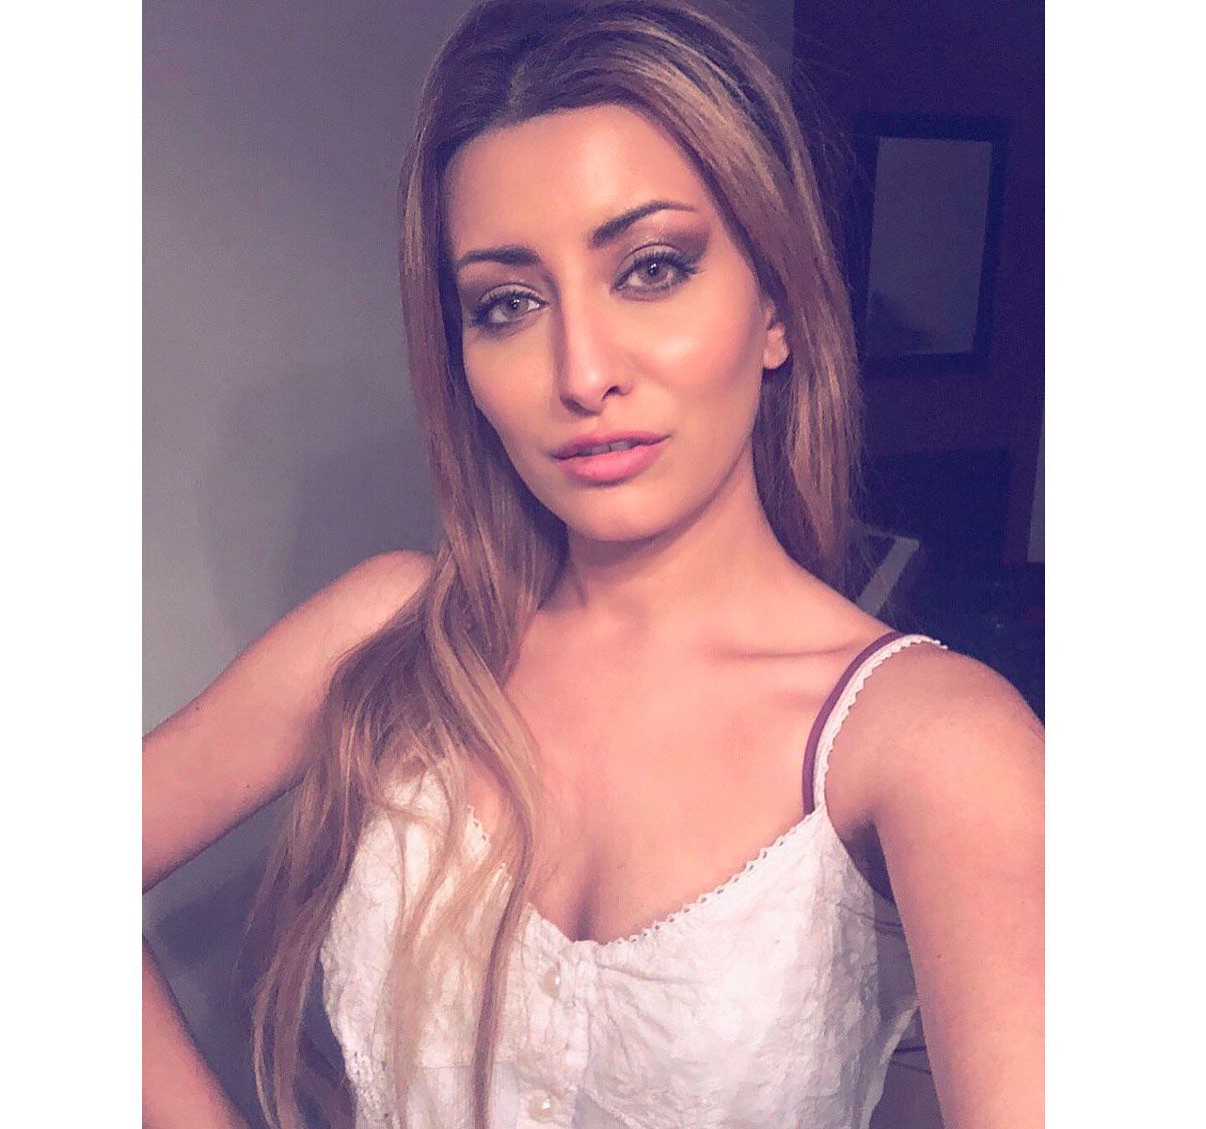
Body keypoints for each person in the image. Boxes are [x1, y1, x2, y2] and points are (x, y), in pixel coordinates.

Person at [142, 1, 1044, 1127]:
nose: (581, 372)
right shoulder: (396, 634)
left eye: (652, 268)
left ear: (776, 306)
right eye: (508, 303)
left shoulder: (930, 740)